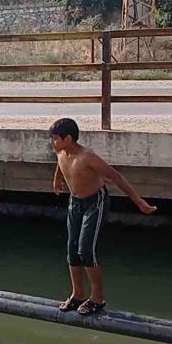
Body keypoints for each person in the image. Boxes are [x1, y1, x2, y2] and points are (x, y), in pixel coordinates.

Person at [49, 118, 157, 315]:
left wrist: (139, 202)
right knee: (72, 249)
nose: (52, 142)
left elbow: (117, 177)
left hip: (94, 202)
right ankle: (77, 294)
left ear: (68, 138)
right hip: (75, 202)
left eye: (55, 139)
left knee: (86, 250)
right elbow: (60, 164)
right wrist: (57, 180)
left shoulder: (87, 157)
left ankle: (97, 298)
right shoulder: (60, 151)